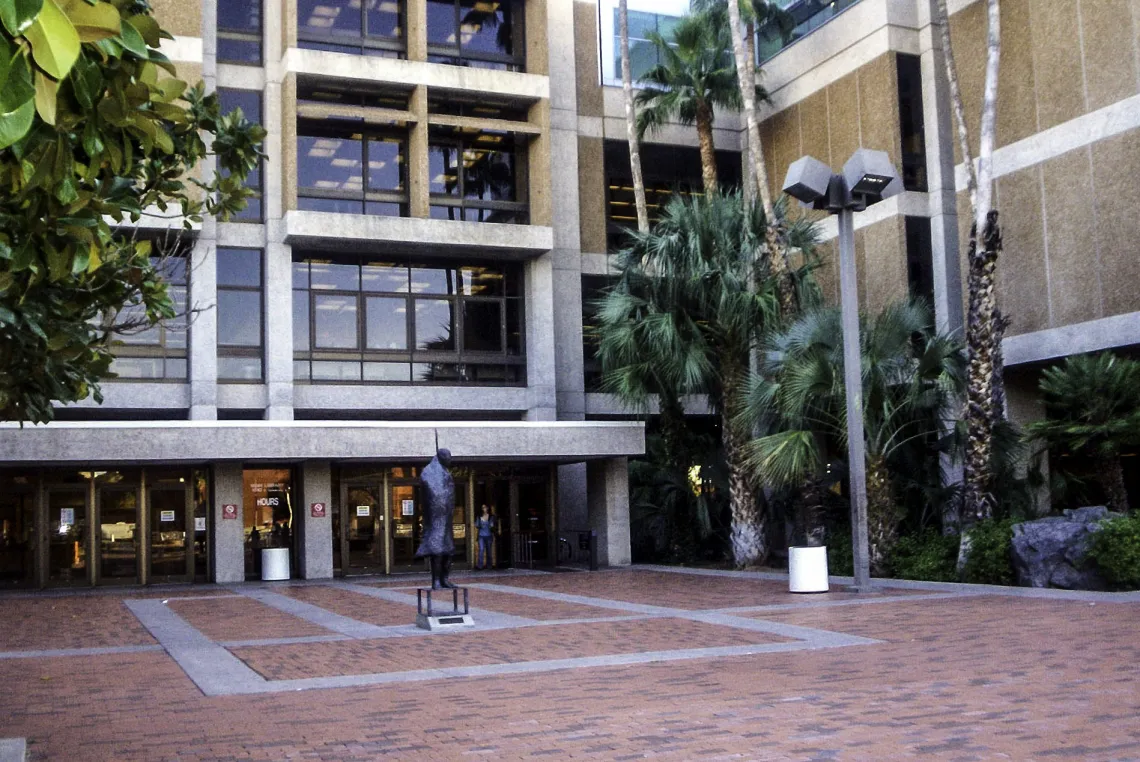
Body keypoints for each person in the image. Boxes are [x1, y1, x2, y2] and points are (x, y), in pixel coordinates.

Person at [414, 448, 457, 589]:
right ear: (440, 457)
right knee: (437, 551)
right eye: (447, 457)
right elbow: (429, 489)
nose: (450, 459)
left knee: (449, 551)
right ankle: (436, 581)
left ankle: (444, 579)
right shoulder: (429, 472)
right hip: (436, 519)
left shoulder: (446, 473)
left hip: (446, 518)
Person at [475, 504, 496, 570]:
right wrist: (479, 525)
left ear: (487, 508)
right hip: (481, 536)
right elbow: (477, 525)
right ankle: (480, 566)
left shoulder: (491, 517)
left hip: (489, 536)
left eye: (485, 507)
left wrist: (491, 526)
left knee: (489, 551)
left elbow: (492, 526)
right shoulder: (479, 516)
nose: (484, 509)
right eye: (482, 507)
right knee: (481, 550)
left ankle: (489, 565)